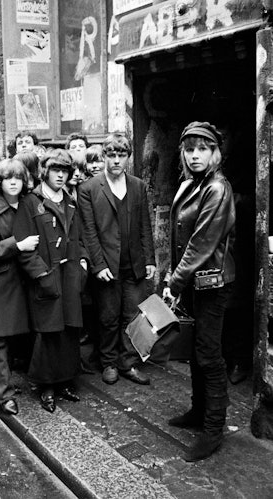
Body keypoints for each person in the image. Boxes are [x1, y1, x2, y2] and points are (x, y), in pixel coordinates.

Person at [163, 121, 236, 462]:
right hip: (194, 280)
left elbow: (201, 243)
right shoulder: (191, 183)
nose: (195, 156)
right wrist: (173, 275)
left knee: (209, 355)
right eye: (189, 149)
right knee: (196, 351)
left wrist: (174, 282)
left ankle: (213, 429)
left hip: (211, 283)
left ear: (214, 153)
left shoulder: (217, 189)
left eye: (202, 149)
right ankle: (197, 411)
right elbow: (181, 238)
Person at [78, 134, 156, 386]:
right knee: (108, 317)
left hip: (133, 263)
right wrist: (98, 265)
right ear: (104, 158)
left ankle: (128, 362)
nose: (116, 161)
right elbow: (88, 231)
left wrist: (149, 259)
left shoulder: (138, 186)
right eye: (111, 155)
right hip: (107, 266)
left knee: (132, 316)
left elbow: (146, 225)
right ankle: (109, 362)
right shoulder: (89, 188)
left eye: (121, 155)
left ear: (127, 158)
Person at [13, 148, 87, 413]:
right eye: (56, 170)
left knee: (68, 330)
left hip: (69, 277)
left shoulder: (70, 201)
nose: (60, 175)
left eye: (65, 171)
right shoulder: (31, 203)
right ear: (45, 171)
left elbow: (78, 239)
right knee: (48, 332)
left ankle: (65, 381)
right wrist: (41, 274)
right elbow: (24, 248)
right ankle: (46, 386)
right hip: (46, 277)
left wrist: (82, 265)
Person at [0, 158, 39, 415]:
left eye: (18, 178)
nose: (13, 182)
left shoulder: (26, 204)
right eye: (8, 178)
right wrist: (18, 244)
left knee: (14, 339)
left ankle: (4, 383)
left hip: (19, 279)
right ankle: (1, 397)